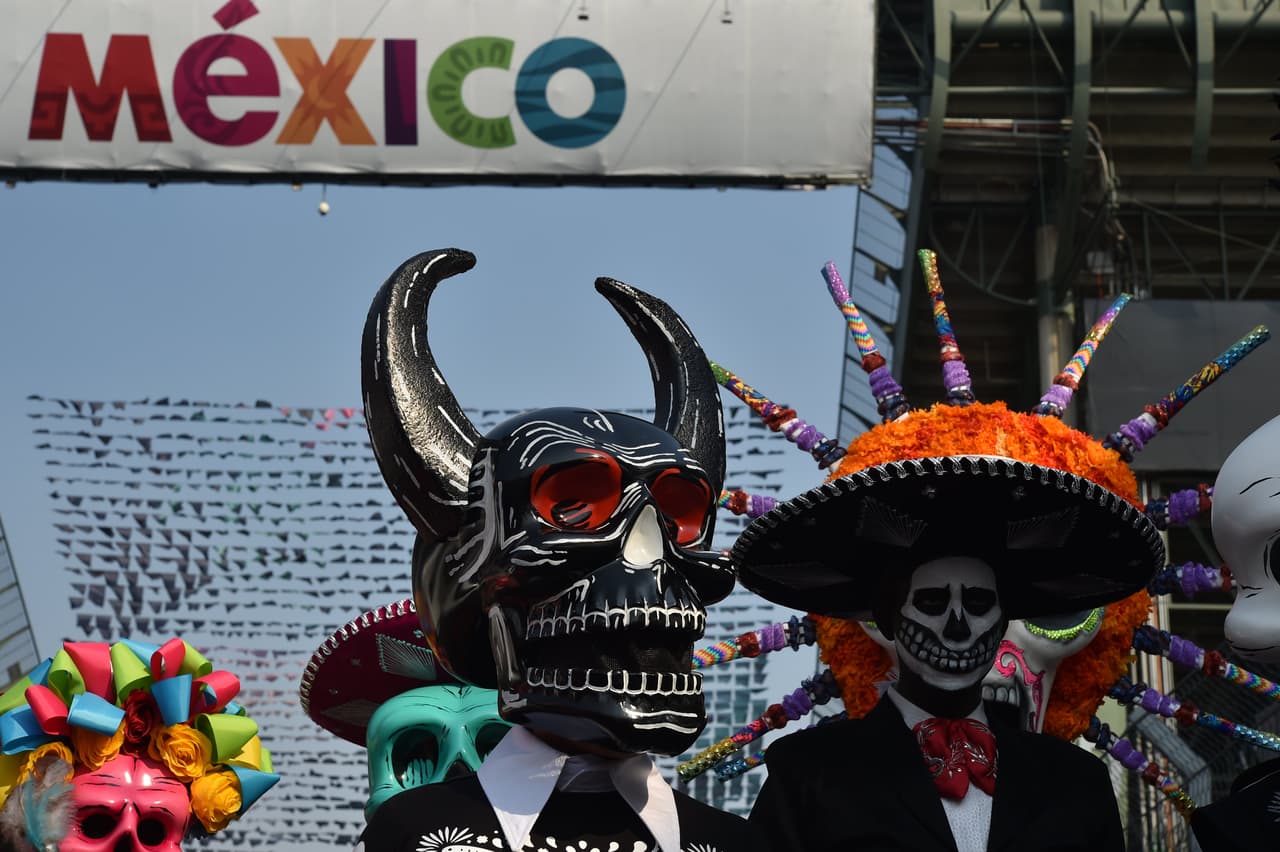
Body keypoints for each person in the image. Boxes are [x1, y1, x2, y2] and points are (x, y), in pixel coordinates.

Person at [354, 248, 760, 852]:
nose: (650, 556)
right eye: (572, 507)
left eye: (678, 518)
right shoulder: (412, 835)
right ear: (482, 577)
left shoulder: (737, 845)